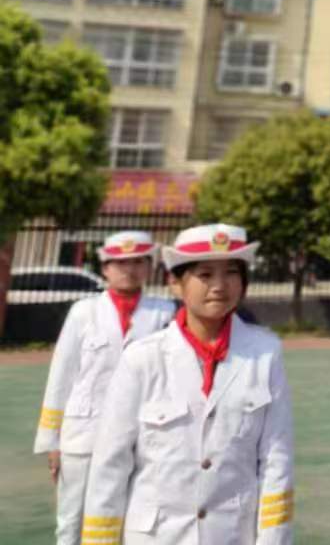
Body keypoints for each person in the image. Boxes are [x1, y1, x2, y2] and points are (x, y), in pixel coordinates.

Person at [81, 223, 295, 544]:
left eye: (232, 273)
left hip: (232, 535)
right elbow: (111, 463)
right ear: (176, 284)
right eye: (205, 274)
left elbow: (276, 459)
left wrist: (273, 539)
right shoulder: (142, 358)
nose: (220, 286)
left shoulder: (265, 353)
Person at [35, 231, 175, 545]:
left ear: (149, 266)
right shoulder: (83, 313)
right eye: (120, 263)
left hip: (143, 435)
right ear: (105, 268)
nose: (129, 269)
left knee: (135, 518)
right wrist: (52, 441)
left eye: (138, 261)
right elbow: (61, 377)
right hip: (84, 434)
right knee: (72, 519)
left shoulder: (165, 313)